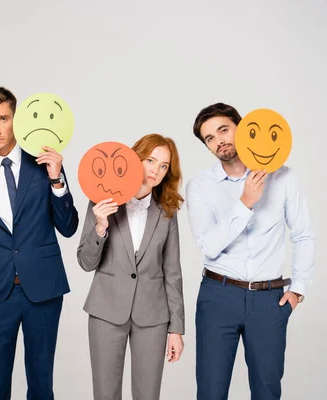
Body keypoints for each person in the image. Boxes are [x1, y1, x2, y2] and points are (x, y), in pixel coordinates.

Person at [0, 86, 79, 400]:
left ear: (16, 119)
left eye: (3, 119)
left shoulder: (44, 164)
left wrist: (57, 179)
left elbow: (68, 227)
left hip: (43, 287)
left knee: (41, 385)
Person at [186, 103, 315, 399]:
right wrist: (244, 203)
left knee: (267, 391)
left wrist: (298, 290)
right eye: (209, 138)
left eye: (223, 130)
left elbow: (304, 234)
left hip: (269, 299)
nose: (219, 140)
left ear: (241, 127)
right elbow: (208, 245)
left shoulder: (284, 178)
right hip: (218, 296)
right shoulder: (200, 186)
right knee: (210, 391)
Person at [77, 134, 185, 400]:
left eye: (163, 166)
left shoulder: (167, 212)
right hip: (106, 311)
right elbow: (85, 261)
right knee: (105, 394)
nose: (156, 171)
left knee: (148, 395)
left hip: (153, 316)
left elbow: (173, 272)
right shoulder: (100, 200)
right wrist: (100, 226)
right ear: (135, 158)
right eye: (151, 160)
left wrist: (177, 328)